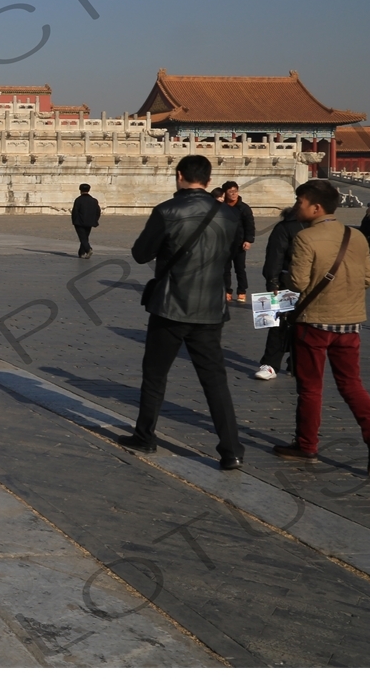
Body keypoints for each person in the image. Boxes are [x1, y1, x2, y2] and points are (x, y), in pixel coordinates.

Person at [116, 155, 244, 471]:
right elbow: (226, 255)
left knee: (156, 374)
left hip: (171, 305)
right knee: (215, 380)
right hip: (211, 308)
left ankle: (145, 435)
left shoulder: (168, 211)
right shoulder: (228, 215)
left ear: (179, 175)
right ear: (208, 178)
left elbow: (140, 252)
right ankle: (232, 450)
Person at [272, 178, 370, 471]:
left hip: (314, 322)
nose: (296, 206)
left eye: (300, 202)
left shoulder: (306, 238)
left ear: (316, 208)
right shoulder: (355, 236)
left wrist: (285, 277)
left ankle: (306, 446)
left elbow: (299, 282)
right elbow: (369, 277)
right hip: (350, 322)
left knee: (311, 388)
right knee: (352, 385)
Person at [253, 205, 303, 380]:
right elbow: (275, 254)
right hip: (286, 283)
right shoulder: (285, 227)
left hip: (313, 285)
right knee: (279, 324)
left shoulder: (321, 228)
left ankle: (297, 363)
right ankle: (271, 363)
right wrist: (272, 280)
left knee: (305, 326)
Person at [220, 181, 255, 304]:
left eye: (235, 191)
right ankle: (227, 291)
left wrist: (248, 240)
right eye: (230, 192)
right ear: (225, 193)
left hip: (240, 243)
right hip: (224, 244)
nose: (234, 194)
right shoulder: (221, 206)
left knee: (240, 268)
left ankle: (241, 291)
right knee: (225, 269)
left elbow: (249, 225)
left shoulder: (243, 208)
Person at [71, 183, 100, 258]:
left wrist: (74, 221)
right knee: (85, 237)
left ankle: (88, 249)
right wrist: (95, 220)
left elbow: (75, 212)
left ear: (80, 190)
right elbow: (98, 212)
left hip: (79, 222)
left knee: (82, 238)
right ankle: (81, 253)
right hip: (90, 222)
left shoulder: (78, 200)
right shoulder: (94, 200)